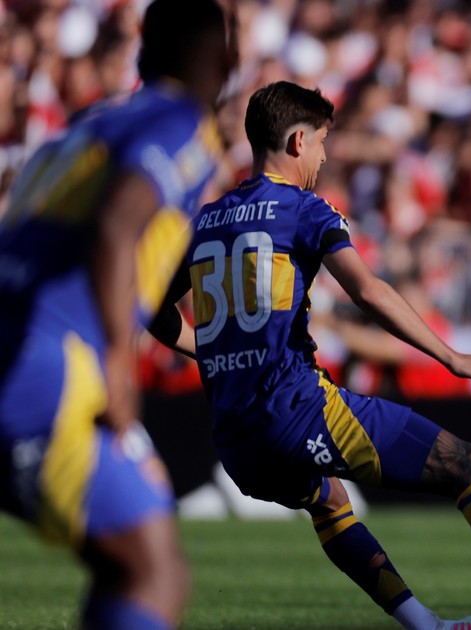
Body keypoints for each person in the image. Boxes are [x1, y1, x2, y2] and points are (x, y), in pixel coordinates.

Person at [150, 81, 471, 630]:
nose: (323, 157)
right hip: (296, 408)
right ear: (298, 142)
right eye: (322, 142)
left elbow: (153, 309)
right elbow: (368, 291)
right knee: (467, 462)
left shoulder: (206, 220)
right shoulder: (304, 209)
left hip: (235, 439)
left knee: (329, 501)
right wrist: (450, 356)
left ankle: (425, 624)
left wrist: (212, 352)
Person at [0, 1, 233, 628]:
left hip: (19, 343)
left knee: (141, 562)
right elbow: (116, 228)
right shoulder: (183, 122)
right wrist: (118, 369)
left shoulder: (91, 122)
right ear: (222, 62)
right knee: (154, 572)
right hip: (42, 368)